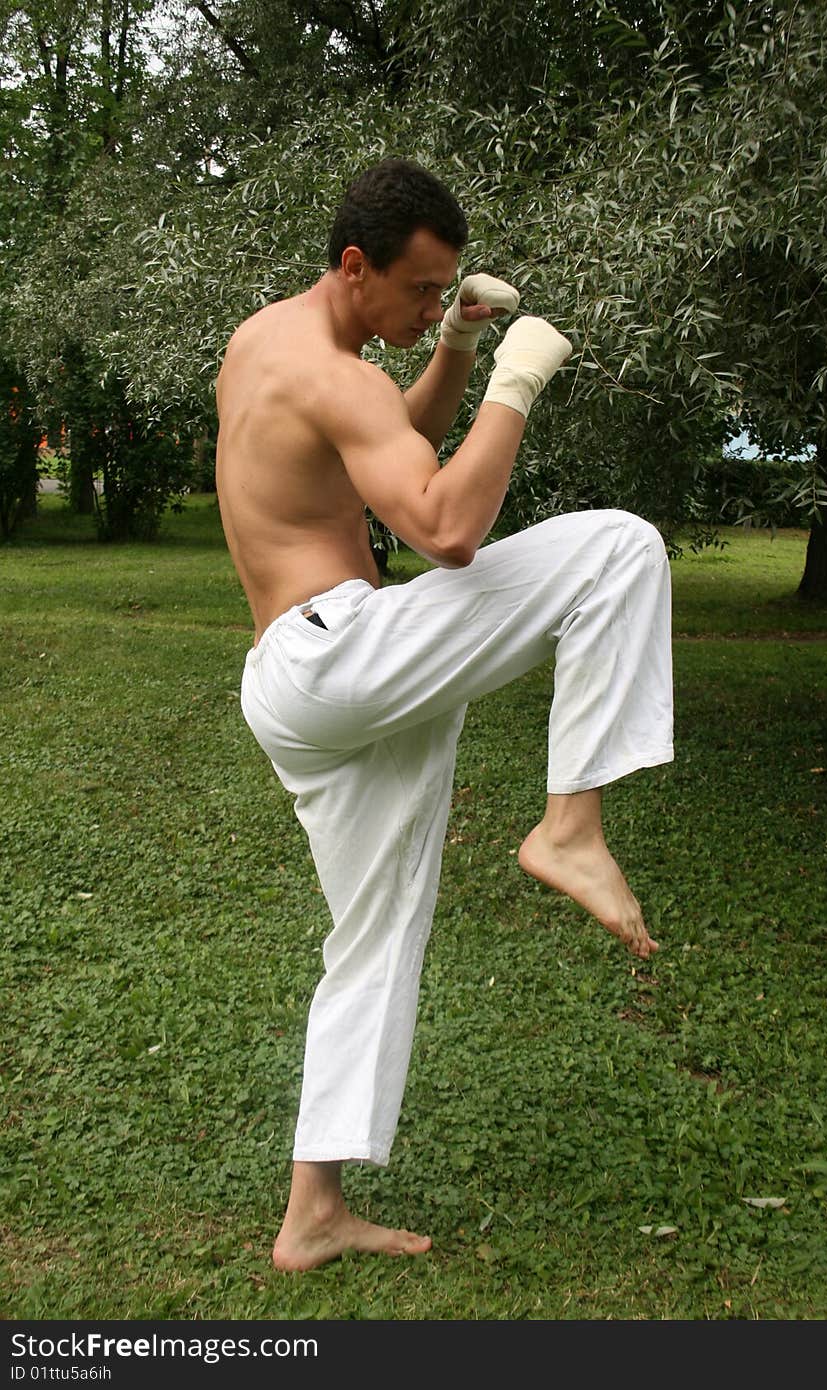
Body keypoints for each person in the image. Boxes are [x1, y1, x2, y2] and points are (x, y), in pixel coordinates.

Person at [215, 158, 673, 1273]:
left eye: (445, 292)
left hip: (298, 678)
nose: (429, 308)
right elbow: (445, 526)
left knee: (373, 938)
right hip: (342, 655)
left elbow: (388, 449)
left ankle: (312, 1211)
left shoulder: (265, 342)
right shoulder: (341, 379)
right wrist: (514, 381)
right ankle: (568, 827)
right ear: (356, 265)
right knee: (617, 545)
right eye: (423, 292)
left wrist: (456, 350)